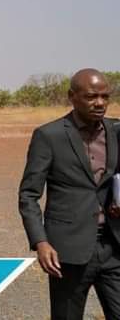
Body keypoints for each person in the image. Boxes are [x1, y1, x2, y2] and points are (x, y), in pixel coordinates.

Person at [19, 68, 120, 320]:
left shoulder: (118, 131)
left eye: (105, 97)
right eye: (91, 97)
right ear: (71, 96)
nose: (100, 103)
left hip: (114, 246)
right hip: (68, 251)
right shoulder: (49, 136)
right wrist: (40, 242)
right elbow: (28, 195)